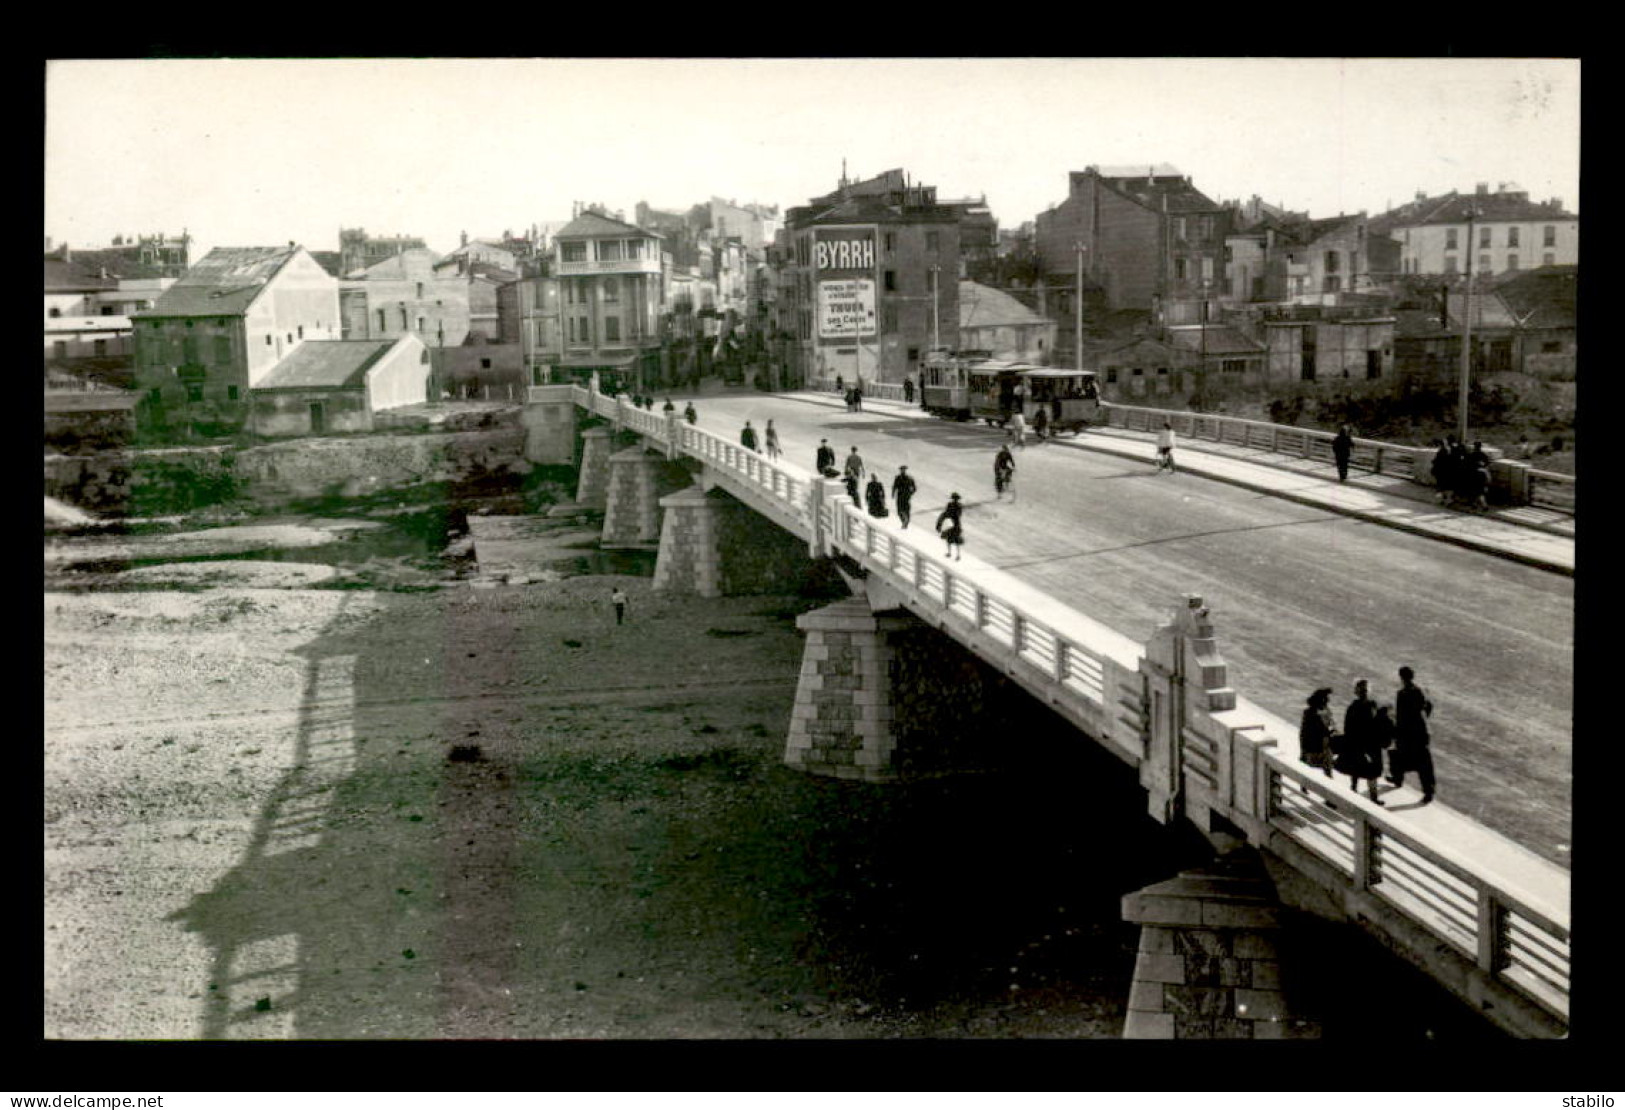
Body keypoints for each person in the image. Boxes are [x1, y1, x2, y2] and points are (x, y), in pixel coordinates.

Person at [1390, 666, 1436, 804]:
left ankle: (1397, 779)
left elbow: (1400, 715)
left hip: (1407, 732)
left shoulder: (1402, 694)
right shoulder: (1419, 691)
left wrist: (1396, 731)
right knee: (1423, 762)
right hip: (1420, 730)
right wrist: (1424, 719)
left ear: (1401, 677)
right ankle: (1428, 791)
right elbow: (1428, 705)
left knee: (1399, 754)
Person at [1336, 679, 1386, 804]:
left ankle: (1360, 792)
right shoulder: (1365, 706)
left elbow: (1348, 728)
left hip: (1363, 743)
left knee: (1359, 769)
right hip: (1365, 743)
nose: (1365, 691)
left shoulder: (1356, 706)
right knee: (1368, 771)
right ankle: (1369, 796)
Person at [1298, 687, 1338, 784]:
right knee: (1313, 770)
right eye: (1326, 698)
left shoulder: (1326, 711)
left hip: (1323, 747)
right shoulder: (1310, 713)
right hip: (1314, 747)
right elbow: (1304, 733)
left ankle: (1328, 793)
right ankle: (1304, 787)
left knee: (1327, 771)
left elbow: (1332, 726)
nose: (1328, 701)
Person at [936, 492, 964, 560]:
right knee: (955, 541)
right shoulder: (959, 506)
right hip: (956, 524)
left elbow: (947, 513)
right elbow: (959, 514)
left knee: (950, 540)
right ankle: (956, 555)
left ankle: (951, 553)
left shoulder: (951, 505)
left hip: (953, 524)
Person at [1430, 439, 1453, 505]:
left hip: (1441, 471)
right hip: (1446, 471)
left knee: (1440, 485)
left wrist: (1434, 462)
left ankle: (1443, 500)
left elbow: (1437, 461)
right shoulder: (1449, 450)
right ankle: (1446, 500)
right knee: (1445, 486)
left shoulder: (1441, 451)